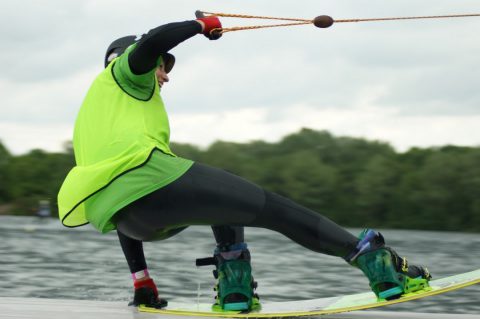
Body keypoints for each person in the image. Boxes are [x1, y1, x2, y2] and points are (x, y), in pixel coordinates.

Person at [57, 15, 431, 311]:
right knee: (275, 210)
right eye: (162, 66)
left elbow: (124, 192)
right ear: (129, 61)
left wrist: (141, 280)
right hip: (154, 183)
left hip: (132, 220)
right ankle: (378, 266)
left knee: (224, 197)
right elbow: (154, 41)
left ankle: (235, 292)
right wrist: (200, 26)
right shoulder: (126, 74)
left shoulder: (96, 115)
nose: (166, 75)